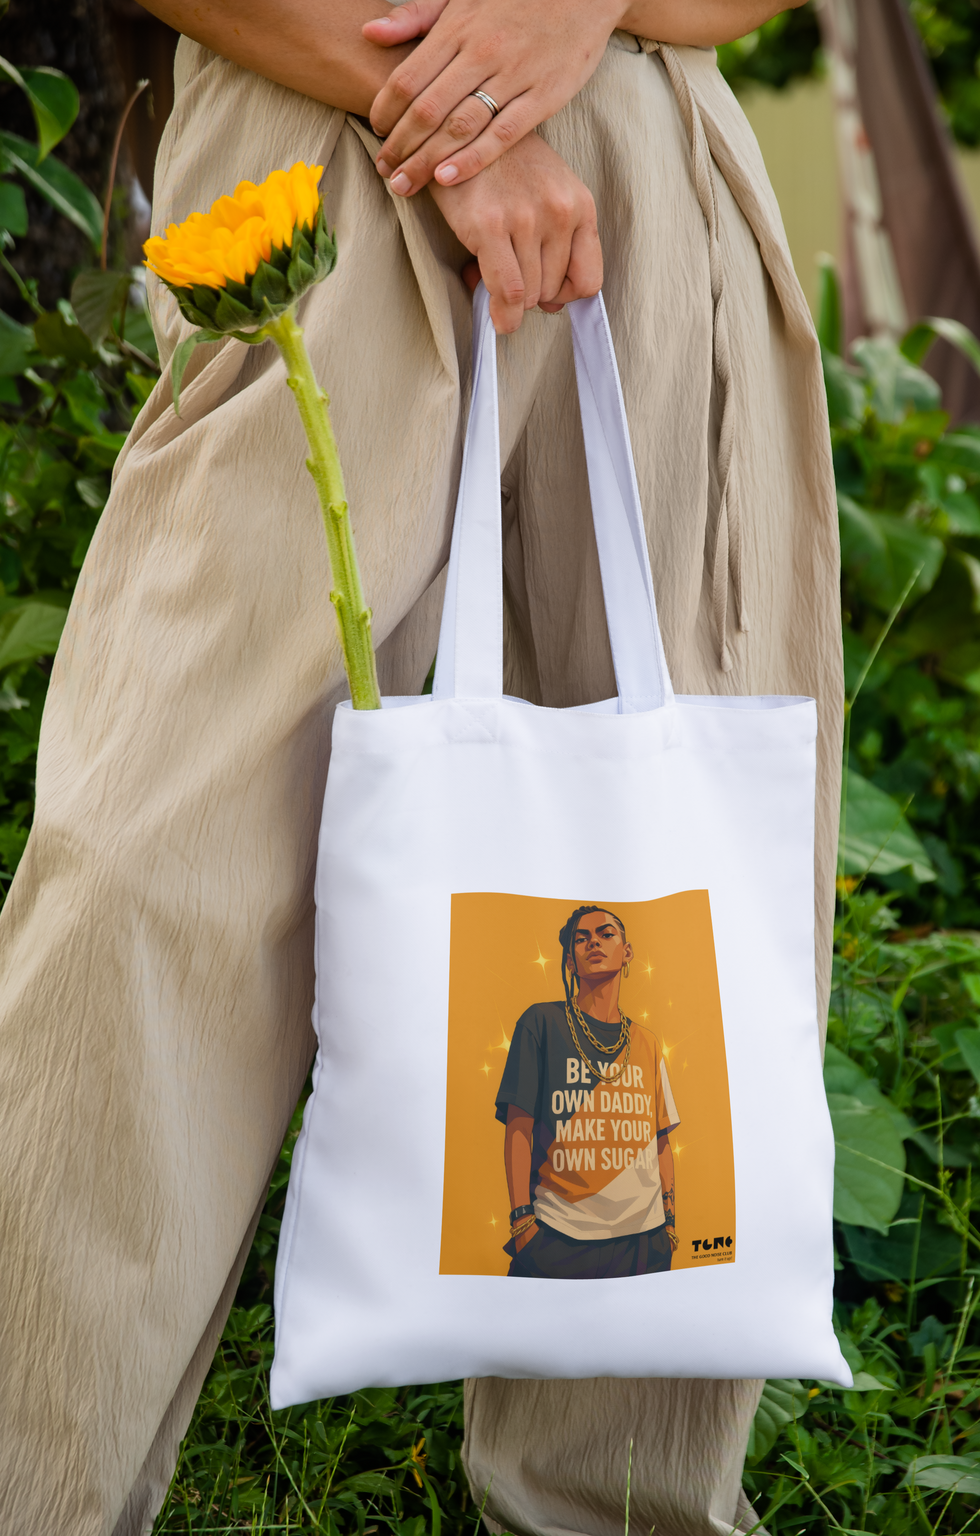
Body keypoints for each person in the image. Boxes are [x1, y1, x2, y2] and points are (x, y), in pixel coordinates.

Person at [0, 0, 844, 1529]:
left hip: (658, 188)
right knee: (140, 877)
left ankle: (615, 1506)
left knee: (654, 911)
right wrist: (466, 122)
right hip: (313, 162)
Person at [498, 906, 679, 1278]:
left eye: (605, 933)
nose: (593, 941)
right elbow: (519, 1127)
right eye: (581, 939)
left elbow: (660, 1139)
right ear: (570, 960)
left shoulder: (646, 1042)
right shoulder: (540, 1024)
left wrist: (670, 1222)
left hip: (646, 1241)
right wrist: (522, 1223)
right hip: (558, 1235)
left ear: (627, 951)